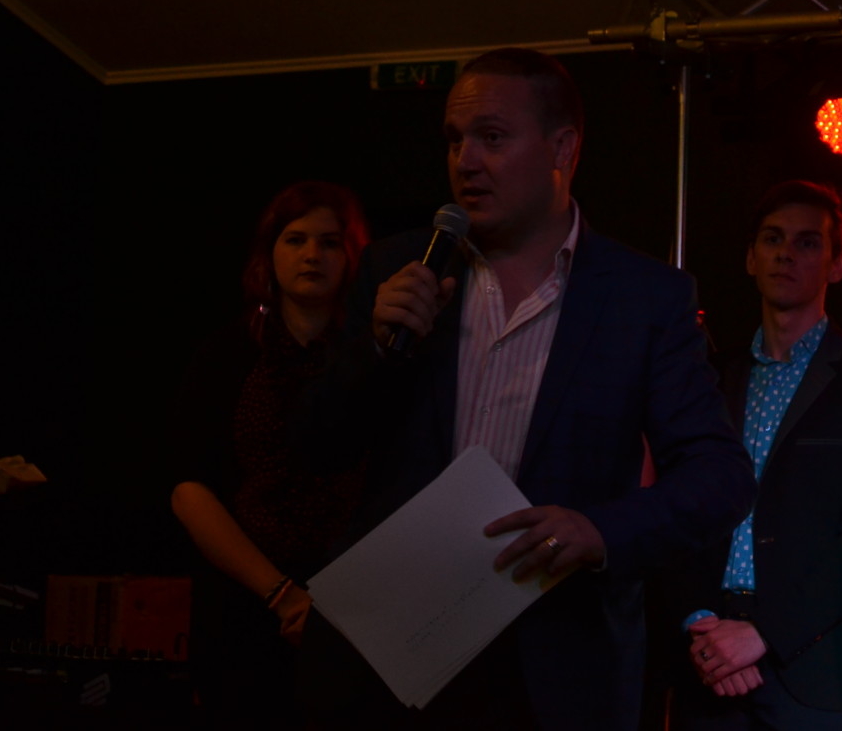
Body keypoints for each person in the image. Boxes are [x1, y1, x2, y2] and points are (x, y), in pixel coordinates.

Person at [300, 47, 756, 730]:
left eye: (492, 137)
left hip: (556, 664)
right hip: (397, 655)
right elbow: (317, 445)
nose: (466, 161)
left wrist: (599, 530)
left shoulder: (644, 297)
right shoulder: (401, 267)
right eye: (455, 139)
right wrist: (374, 350)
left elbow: (720, 476)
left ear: (563, 148)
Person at [664, 181, 842, 730]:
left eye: (807, 242)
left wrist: (765, 631)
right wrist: (698, 619)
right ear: (751, 258)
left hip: (813, 667)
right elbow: (676, 507)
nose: (786, 254)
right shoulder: (707, 379)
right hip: (707, 655)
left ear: (837, 264)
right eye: (772, 239)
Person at [169, 180, 370, 725]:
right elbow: (190, 489)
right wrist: (282, 595)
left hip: (358, 612)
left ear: (352, 256)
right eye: (296, 239)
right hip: (246, 607)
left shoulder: (374, 356)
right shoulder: (225, 355)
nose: (312, 254)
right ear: (270, 253)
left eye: (329, 242)